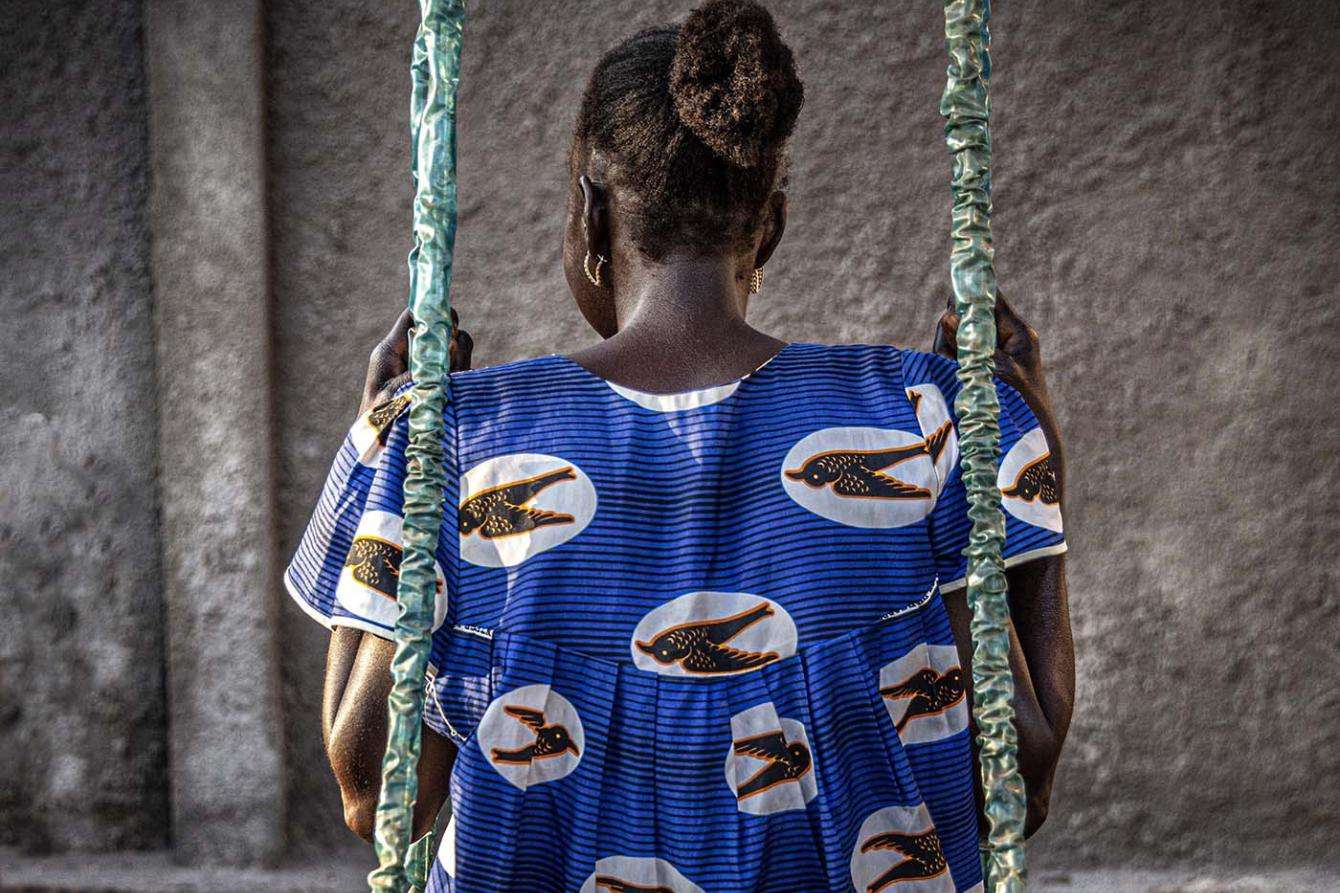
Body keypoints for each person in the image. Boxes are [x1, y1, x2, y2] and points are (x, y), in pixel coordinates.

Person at [285, 2, 1074, 890]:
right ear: (767, 227)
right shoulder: (920, 420)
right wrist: (1028, 463)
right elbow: (1019, 780)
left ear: (588, 217)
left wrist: (388, 469)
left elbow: (376, 796)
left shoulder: (463, 439)